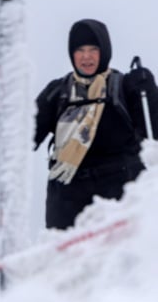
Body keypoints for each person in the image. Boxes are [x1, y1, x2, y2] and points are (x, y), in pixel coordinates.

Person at [34, 18, 158, 230]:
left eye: (93, 49)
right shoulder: (58, 92)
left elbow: (153, 131)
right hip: (66, 201)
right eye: (80, 50)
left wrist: (149, 93)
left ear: (105, 51)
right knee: (68, 263)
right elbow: (24, 136)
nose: (86, 57)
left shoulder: (125, 87)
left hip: (119, 195)